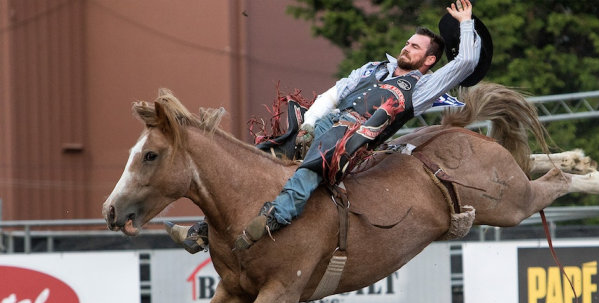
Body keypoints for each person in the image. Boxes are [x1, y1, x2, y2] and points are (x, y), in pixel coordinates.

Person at [166, 1, 483, 252]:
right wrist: (310, 122)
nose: (407, 47)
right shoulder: (372, 68)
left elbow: (466, 63)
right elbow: (333, 94)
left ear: (429, 61)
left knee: (322, 154)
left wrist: (466, 23)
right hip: (326, 124)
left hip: (354, 142)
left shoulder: (424, 88)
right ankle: (202, 232)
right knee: (260, 157)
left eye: (415, 47)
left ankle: (278, 215)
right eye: (408, 42)